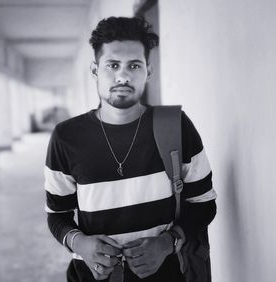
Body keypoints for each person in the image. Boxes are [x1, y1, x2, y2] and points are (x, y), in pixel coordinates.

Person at [44, 17, 217, 282]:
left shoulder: (175, 126)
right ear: (95, 70)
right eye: (112, 65)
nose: (123, 76)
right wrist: (80, 244)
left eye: (134, 65)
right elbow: (57, 216)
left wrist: (168, 242)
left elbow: (204, 204)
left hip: (167, 275)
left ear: (148, 71)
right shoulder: (67, 137)